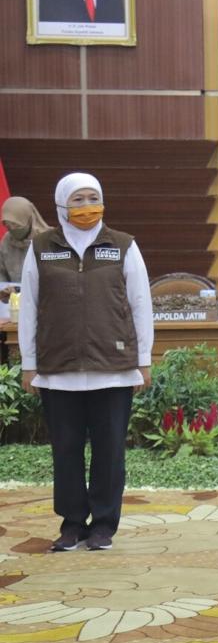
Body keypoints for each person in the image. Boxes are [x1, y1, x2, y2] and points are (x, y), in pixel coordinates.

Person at [18, 172, 153, 552]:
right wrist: (30, 363)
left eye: (93, 197)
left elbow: (140, 305)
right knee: (66, 448)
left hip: (113, 367)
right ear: (61, 204)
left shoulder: (123, 245)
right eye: (78, 199)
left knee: (110, 450)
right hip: (57, 369)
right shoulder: (42, 247)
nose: (87, 207)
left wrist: (142, 360)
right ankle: (73, 523)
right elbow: (28, 307)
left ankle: (104, 524)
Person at [0, 197, 50, 302]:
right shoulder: (6, 241)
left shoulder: (48, 240)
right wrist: (4, 290)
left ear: (29, 220)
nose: (12, 229)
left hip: (44, 303)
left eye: (16, 225)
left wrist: (22, 290)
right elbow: (1, 271)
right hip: (14, 304)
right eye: (8, 226)